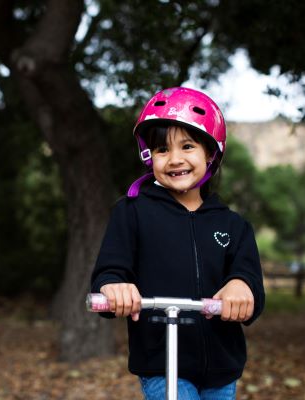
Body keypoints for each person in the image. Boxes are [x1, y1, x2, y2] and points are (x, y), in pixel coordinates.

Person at [90, 87, 265, 400]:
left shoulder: (233, 225)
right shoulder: (132, 213)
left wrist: (242, 286)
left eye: (187, 146)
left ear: (210, 152)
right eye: (161, 149)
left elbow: (250, 281)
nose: (174, 159)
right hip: (161, 362)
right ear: (149, 156)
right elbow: (109, 271)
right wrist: (114, 287)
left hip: (222, 369)